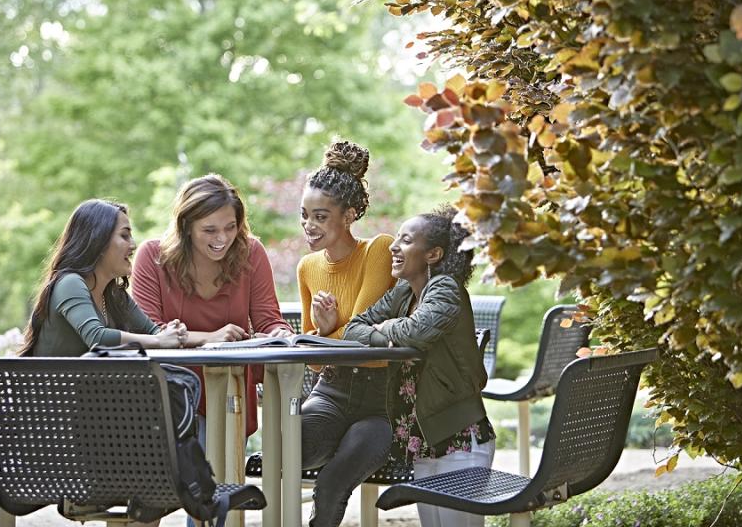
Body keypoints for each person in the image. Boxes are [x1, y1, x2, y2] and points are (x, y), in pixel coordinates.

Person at [344, 205, 496, 527]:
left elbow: (417, 333)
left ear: (433, 254)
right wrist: (385, 332)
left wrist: (386, 328)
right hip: (425, 441)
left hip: (459, 437)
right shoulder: (403, 293)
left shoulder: (446, 289)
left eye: (406, 240)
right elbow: (354, 328)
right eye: (396, 238)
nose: (393, 247)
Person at [130, 173, 292, 438]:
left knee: (222, 467)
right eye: (210, 230)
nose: (222, 238)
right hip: (170, 397)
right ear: (186, 226)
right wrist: (210, 339)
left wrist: (279, 333)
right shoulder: (152, 257)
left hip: (230, 393)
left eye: (230, 227)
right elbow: (150, 334)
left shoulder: (251, 253)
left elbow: (268, 319)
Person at [296, 141, 396, 527]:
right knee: (287, 449)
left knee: (333, 482)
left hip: (379, 402)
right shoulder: (307, 267)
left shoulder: (379, 250)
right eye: (305, 215)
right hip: (331, 393)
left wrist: (326, 333)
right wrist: (324, 334)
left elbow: (361, 337)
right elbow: (316, 361)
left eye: (320, 217)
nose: (309, 225)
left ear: (350, 215)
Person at [20, 199, 187, 357]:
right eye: (124, 236)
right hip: (53, 387)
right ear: (98, 241)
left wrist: (171, 332)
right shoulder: (70, 283)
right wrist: (159, 340)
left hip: (89, 386)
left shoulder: (114, 294)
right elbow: (97, 338)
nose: (133, 245)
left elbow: (153, 332)